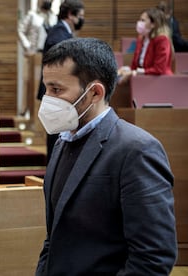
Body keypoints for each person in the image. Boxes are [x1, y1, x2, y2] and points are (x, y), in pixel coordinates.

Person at [36, 37, 177, 275]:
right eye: (46, 87)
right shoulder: (61, 144)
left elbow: (153, 258)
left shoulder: (137, 150)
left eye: (56, 89)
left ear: (95, 93)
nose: (47, 98)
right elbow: (54, 239)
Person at [36, 0, 85, 163]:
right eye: (81, 16)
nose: (82, 20)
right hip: (57, 93)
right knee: (57, 138)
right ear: (71, 14)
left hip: (60, 92)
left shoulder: (62, 33)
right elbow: (59, 69)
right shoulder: (58, 35)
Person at [118, 7, 173, 85]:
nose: (139, 23)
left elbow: (159, 69)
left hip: (161, 82)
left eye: (143, 20)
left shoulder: (162, 40)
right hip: (144, 80)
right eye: (140, 20)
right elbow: (135, 66)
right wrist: (125, 70)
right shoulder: (141, 39)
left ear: (153, 24)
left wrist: (135, 72)